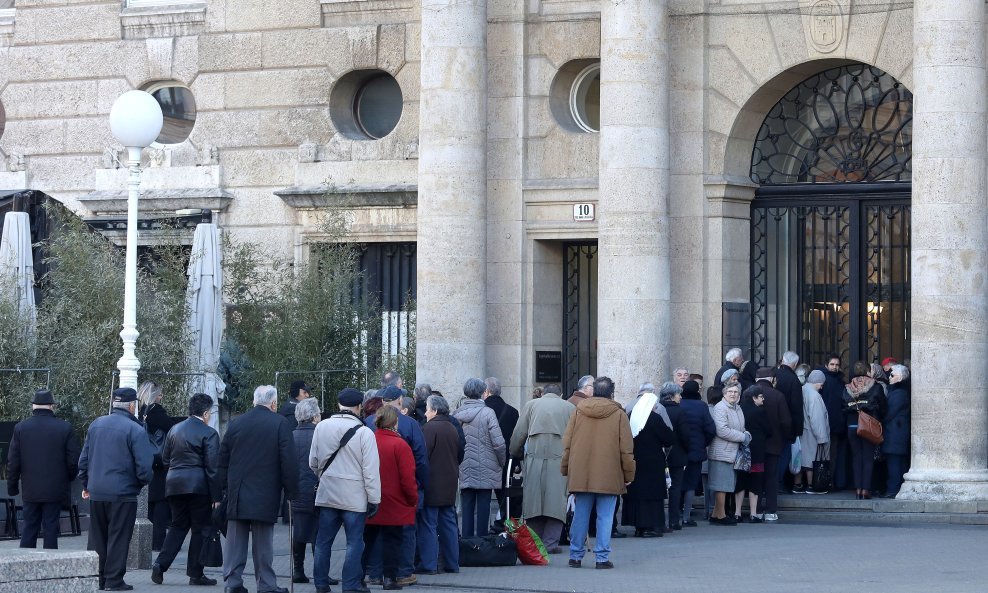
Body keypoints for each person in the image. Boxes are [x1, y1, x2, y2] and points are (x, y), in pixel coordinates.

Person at [219, 385, 299, 593]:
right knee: (263, 543)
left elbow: (223, 458)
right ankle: (266, 584)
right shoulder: (280, 423)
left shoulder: (237, 423)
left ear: (254, 401)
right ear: (273, 403)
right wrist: (291, 491)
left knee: (235, 540)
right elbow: (288, 461)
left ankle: (232, 583)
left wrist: (222, 489)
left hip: (237, 491)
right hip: (266, 491)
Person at [78, 387, 155, 591]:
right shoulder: (136, 430)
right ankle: (113, 580)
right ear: (132, 406)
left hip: (97, 492)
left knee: (97, 538)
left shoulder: (96, 424)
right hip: (123, 493)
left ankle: (97, 578)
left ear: (114, 403)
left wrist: (86, 484)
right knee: (119, 538)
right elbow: (144, 467)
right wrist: (139, 484)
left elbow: (83, 460)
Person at [561, 376, 635, 569]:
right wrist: (629, 474)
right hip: (609, 473)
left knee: (581, 515)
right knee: (605, 517)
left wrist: (566, 468)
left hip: (581, 471)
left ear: (593, 391)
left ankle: (575, 556)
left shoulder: (579, 411)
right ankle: (601, 558)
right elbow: (626, 449)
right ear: (612, 393)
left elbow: (567, 443)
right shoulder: (619, 414)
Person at [311, 387, 380, 593]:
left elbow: (313, 461)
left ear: (339, 405)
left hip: (328, 493)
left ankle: (321, 584)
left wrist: (325, 477)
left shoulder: (321, 427)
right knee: (354, 543)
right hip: (354, 497)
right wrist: (374, 499)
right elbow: (370, 471)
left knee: (323, 542)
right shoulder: (365, 433)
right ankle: (350, 585)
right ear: (359, 406)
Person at [151, 393, 221, 587]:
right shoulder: (209, 433)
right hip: (199, 487)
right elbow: (213, 468)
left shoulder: (174, 429)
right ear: (205, 413)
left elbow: (165, 459)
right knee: (199, 529)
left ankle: (160, 564)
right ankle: (196, 574)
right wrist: (217, 496)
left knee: (177, 526)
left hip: (174, 485)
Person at [364, 385, 428, 587]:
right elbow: (420, 459)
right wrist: (419, 487)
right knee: (403, 534)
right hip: (399, 492)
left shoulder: (368, 425)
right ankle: (402, 573)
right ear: (400, 401)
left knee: (373, 534)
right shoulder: (410, 426)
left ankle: (373, 573)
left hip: (372, 492)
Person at [6, 389, 80, 550]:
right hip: (55, 489)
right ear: (52, 406)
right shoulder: (65, 427)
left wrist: (12, 487)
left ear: (33, 406)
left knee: (29, 527)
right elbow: (73, 460)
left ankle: (24, 562)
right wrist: (68, 479)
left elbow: (13, 461)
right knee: (51, 527)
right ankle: (51, 562)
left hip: (30, 489)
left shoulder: (21, 428)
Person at [509, 383, 575, 552]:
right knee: (556, 502)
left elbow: (519, 434)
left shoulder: (531, 405)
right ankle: (550, 544)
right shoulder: (569, 407)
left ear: (543, 393)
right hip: (560, 461)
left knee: (534, 501)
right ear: (561, 395)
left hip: (534, 459)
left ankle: (535, 544)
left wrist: (516, 453)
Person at [452, 378, 506, 537]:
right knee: (484, 505)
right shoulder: (488, 413)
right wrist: (501, 462)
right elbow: (499, 443)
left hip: (465, 465)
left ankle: (467, 541)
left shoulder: (457, 414)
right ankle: (482, 542)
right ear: (483, 393)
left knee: (466, 505)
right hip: (486, 466)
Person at [622, 382, 675, 537]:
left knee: (637, 495)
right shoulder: (655, 419)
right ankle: (650, 527)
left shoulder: (630, 417)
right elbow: (669, 438)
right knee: (651, 496)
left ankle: (639, 527)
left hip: (634, 461)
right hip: (653, 463)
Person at [417, 395, 463, 574]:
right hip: (450, 482)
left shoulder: (429, 428)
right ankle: (452, 563)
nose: (425, 413)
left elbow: (423, 456)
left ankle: (428, 564)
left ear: (435, 410)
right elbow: (460, 454)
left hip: (432, 483)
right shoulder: (452, 427)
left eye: (428, 409)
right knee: (449, 523)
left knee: (428, 523)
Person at [138, 381, 181, 552]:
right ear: (154, 396)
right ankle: (158, 541)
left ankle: (146, 541)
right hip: (158, 463)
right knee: (161, 503)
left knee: (149, 504)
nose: (162, 397)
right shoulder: (156, 411)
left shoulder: (139, 412)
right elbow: (171, 427)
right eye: (159, 394)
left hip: (145, 460)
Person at [843, 362, 887, 500]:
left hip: (852, 425)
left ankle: (857, 489)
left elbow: (843, 406)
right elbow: (883, 406)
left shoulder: (848, 387)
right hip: (868, 425)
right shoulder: (875, 386)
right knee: (868, 458)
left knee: (856, 458)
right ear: (868, 371)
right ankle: (865, 490)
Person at [290, 398, 322, 585]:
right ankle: (320, 573)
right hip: (317, 490)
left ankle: (298, 570)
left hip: (296, 491)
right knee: (319, 533)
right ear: (315, 416)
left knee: (299, 531)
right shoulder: (320, 435)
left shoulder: (290, 436)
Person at [707, 384, 749, 526]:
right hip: (721, 452)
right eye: (730, 391)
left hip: (732, 452)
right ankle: (721, 516)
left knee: (726, 484)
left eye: (736, 392)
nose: (733, 394)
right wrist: (742, 437)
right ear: (724, 394)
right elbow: (722, 430)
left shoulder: (738, 408)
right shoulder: (720, 408)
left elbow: (741, 427)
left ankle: (715, 515)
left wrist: (746, 433)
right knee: (721, 485)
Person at [753, 368, 791, 522]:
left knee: (756, 477)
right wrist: (785, 437)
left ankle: (756, 510)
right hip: (774, 444)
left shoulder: (748, 393)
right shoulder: (778, 395)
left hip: (754, 445)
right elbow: (786, 421)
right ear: (772, 379)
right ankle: (770, 510)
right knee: (771, 477)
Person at [678, 380, 715, 527]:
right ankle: (686, 517)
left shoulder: (678, 404)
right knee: (690, 484)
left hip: (678, 450)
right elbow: (711, 429)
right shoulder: (701, 406)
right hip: (696, 451)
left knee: (677, 483)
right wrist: (703, 443)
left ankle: (675, 515)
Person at [483, 376, 518, 525]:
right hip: (506, 460)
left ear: (486, 391)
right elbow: (516, 439)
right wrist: (516, 462)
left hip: (484, 459)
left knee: (482, 498)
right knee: (504, 497)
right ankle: (505, 526)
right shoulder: (513, 412)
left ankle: (483, 530)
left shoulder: (481, 411)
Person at [658, 382, 691, 531]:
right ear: (671, 396)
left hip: (660, 454)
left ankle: (659, 519)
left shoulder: (658, 409)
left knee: (660, 487)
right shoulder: (679, 411)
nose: (680, 397)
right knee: (675, 488)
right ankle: (673, 520)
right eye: (678, 394)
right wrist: (687, 449)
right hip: (677, 454)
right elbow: (685, 435)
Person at [736, 386, 771, 522]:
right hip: (757, 452)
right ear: (754, 398)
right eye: (761, 396)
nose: (763, 399)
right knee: (755, 482)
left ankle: (737, 513)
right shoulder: (760, 412)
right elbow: (769, 430)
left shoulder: (739, 410)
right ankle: (753, 514)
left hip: (741, 451)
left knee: (740, 481)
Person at [794, 370, 830, 494]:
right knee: (812, 460)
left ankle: (797, 484)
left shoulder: (801, 390)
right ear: (817, 382)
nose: (822, 387)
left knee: (800, 460)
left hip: (801, 431)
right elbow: (817, 418)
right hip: (811, 433)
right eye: (821, 384)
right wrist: (822, 437)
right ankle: (812, 485)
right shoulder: (814, 396)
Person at [817, 355, 848, 490]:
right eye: (832, 364)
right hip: (824, 422)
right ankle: (822, 481)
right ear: (826, 365)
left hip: (837, 423)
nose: (835, 367)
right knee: (823, 454)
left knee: (833, 454)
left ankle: (831, 481)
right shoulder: (822, 379)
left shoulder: (841, 380)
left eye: (837, 364)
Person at [775, 351, 805, 490]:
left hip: (772, 423)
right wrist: (798, 429)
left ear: (782, 360)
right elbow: (796, 407)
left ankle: (773, 483)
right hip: (788, 425)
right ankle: (779, 483)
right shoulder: (794, 380)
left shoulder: (774, 374)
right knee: (785, 454)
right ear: (795, 364)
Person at [882, 364, 911, 498]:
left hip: (895, 433)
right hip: (896, 431)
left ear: (900, 378)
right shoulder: (898, 392)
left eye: (892, 375)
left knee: (894, 462)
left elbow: (889, 413)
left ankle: (893, 489)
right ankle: (896, 488)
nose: (889, 377)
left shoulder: (899, 393)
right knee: (897, 462)